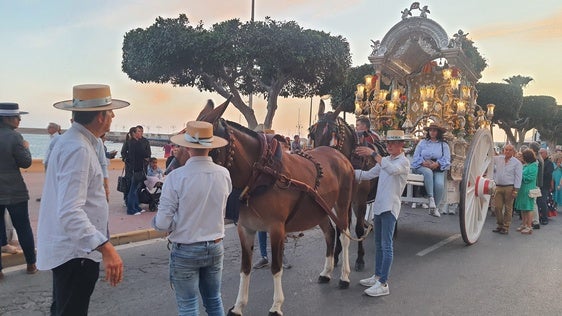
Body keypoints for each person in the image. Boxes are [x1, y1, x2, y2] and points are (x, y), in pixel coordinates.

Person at [36, 84, 126, 314]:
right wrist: (105, 247)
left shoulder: (80, 141)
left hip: (76, 251)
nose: (113, 116)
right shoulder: (78, 148)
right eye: (109, 111)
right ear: (99, 117)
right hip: (76, 254)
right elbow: (70, 211)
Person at [152, 121, 232, 315]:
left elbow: (162, 222)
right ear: (210, 147)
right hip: (214, 245)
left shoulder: (176, 177)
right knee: (214, 301)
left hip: (186, 248)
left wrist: (166, 224)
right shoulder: (224, 174)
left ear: (187, 147)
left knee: (188, 305)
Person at [354, 129, 411, 297]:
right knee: (379, 244)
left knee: (386, 246)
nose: (389, 146)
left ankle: (383, 283)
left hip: (390, 208)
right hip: (379, 208)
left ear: (401, 145)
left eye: (393, 143)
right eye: (387, 143)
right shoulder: (385, 159)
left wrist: (373, 154)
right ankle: (377, 276)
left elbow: (392, 170)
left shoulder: (403, 162)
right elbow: (369, 175)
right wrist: (348, 171)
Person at [0, 102, 37, 280]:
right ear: (6, 118)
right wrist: (27, 148)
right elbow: (26, 163)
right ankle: (31, 264)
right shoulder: (15, 137)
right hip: (14, 190)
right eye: (17, 117)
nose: (19, 120)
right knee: (23, 227)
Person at [411, 123, 451, 217]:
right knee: (428, 172)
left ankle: (435, 208)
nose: (432, 132)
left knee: (439, 184)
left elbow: (447, 159)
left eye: (434, 130)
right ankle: (431, 198)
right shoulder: (422, 142)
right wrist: (423, 163)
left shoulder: (443, 144)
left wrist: (437, 164)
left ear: (438, 132)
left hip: (437, 167)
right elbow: (416, 156)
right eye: (431, 130)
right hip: (422, 166)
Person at [491, 144, 522, 234]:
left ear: (513, 152)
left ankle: (505, 227)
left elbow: (518, 177)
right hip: (498, 186)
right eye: (506, 150)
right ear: (503, 150)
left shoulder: (517, 163)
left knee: (508, 208)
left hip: (510, 187)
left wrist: (516, 190)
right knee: (497, 207)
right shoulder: (498, 159)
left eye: (509, 150)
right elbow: (488, 157)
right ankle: (500, 225)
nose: (507, 152)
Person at [124, 126, 151, 215]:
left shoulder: (134, 142)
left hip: (137, 169)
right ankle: (131, 209)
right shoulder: (135, 143)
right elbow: (145, 154)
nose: (141, 133)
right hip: (135, 170)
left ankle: (136, 207)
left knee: (135, 189)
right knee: (133, 190)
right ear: (134, 133)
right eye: (138, 131)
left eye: (141, 131)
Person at [514, 149, 539, 235]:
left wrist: (521, 176)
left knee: (529, 207)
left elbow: (530, 177)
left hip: (528, 188)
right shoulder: (526, 165)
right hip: (522, 188)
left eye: (523, 156)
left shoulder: (534, 166)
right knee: (523, 207)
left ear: (527, 157)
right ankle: (524, 224)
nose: (522, 158)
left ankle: (529, 226)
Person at [528, 142, 543, 229]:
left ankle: (535, 222)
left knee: (533, 203)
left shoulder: (536, 160)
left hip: (535, 184)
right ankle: (535, 221)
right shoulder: (539, 158)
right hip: (537, 184)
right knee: (534, 203)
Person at [538, 148, 554, 225]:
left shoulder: (549, 163)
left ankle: (545, 218)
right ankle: (537, 217)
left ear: (546, 154)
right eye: (539, 153)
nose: (540, 154)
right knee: (538, 202)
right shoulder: (539, 162)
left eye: (542, 153)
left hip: (545, 185)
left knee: (543, 202)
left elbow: (548, 174)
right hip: (538, 185)